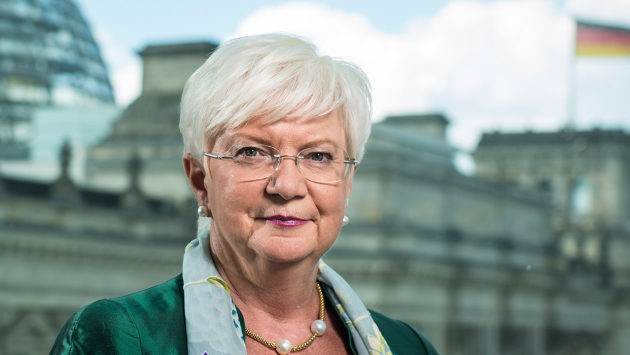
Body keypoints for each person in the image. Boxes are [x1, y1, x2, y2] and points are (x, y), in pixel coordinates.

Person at [50, 33, 439, 355]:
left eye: (318, 156)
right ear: (201, 181)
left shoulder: (409, 346)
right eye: (251, 152)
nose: (286, 186)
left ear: (347, 183)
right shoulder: (114, 339)